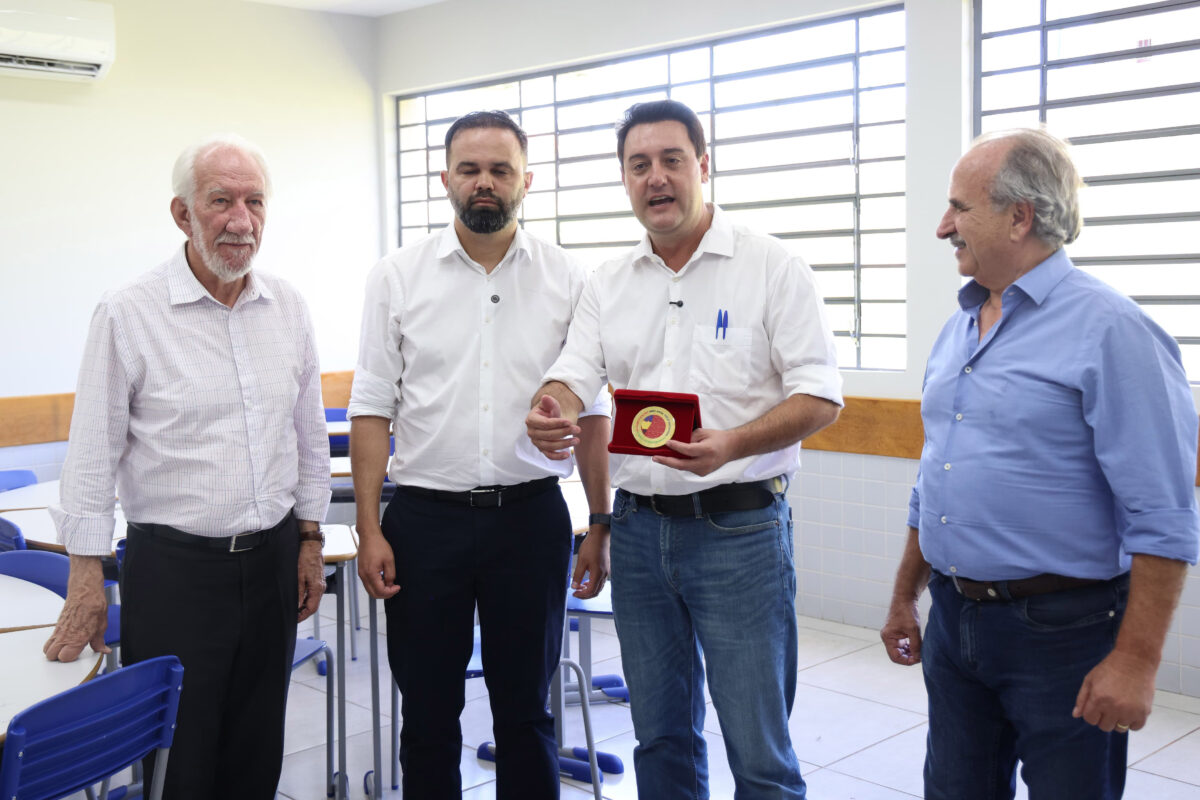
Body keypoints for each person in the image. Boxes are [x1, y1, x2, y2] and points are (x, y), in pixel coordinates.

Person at [526, 99, 842, 800]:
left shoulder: (772, 266)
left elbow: (821, 396)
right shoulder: (608, 282)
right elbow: (575, 373)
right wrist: (553, 406)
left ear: (703, 165)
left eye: (672, 160)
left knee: (759, 751)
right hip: (639, 533)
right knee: (660, 738)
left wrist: (734, 444)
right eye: (639, 165)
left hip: (741, 533)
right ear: (624, 178)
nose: (656, 178)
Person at [879, 128, 1200, 799]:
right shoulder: (958, 328)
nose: (943, 227)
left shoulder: (1114, 331)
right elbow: (934, 480)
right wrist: (906, 595)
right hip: (956, 622)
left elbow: (1163, 514)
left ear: (1019, 217)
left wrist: (1136, 662)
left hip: (1063, 635)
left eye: (959, 207)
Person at [43, 134, 331, 799]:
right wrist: (86, 578)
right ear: (183, 214)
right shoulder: (128, 312)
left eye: (255, 202)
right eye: (221, 201)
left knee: (256, 750)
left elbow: (308, 437)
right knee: (180, 759)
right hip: (175, 572)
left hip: (272, 561)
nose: (241, 221)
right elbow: (91, 453)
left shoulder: (287, 307)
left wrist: (310, 540)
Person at [350, 110, 612, 800]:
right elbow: (372, 406)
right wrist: (370, 528)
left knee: (526, 713)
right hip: (424, 524)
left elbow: (593, 407)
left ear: (528, 179)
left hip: (530, 520)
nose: (484, 182)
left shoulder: (570, 277)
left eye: (500, 169)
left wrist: (600, 520)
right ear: (446, 179)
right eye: (469, 169)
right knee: (428, 715)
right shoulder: (397, 276)